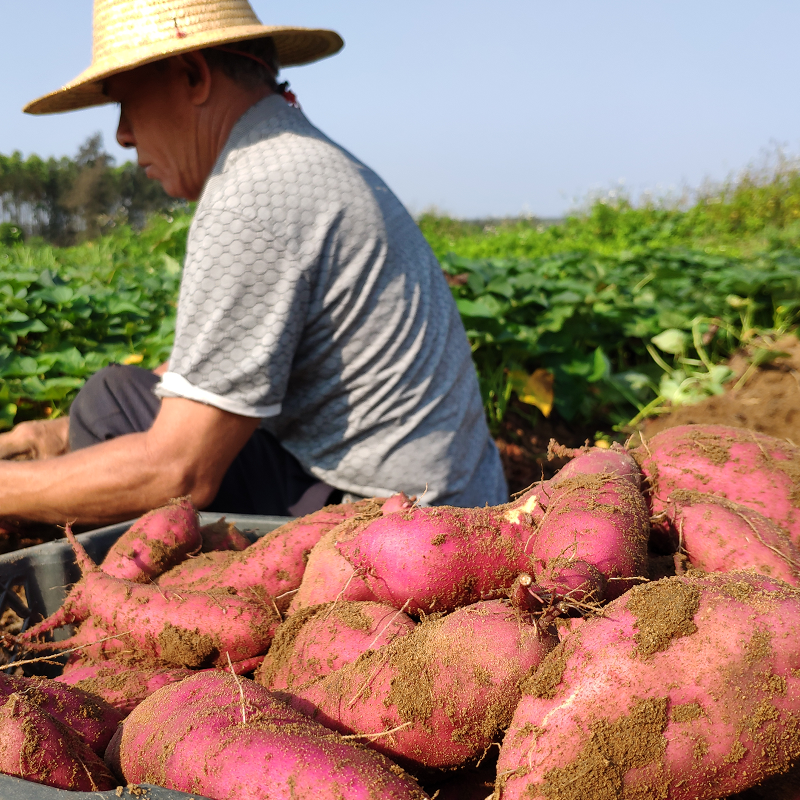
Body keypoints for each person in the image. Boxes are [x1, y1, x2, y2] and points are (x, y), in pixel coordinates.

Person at [0, 0, 507, 525]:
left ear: (194, 76)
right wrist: (51, 435)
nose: (123, 134)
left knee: (110, 409)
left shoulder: (253, 195)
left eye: (126, 102)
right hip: (451, 506)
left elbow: (179, 473)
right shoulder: (291, 158)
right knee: (124, 398)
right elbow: (225, 365)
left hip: (392, 530)